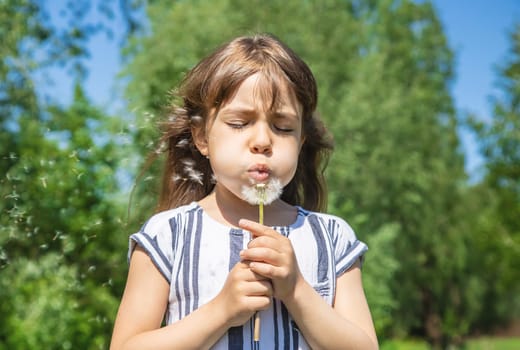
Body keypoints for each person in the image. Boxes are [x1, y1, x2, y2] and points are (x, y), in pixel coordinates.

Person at [110, 33, 378, 350]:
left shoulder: (333, 238)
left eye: (283, 127)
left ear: (301, 140)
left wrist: (296, 290)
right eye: (239, 122)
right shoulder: (168, 235)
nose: (263, 141)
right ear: (202, 137)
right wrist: (220, 312)